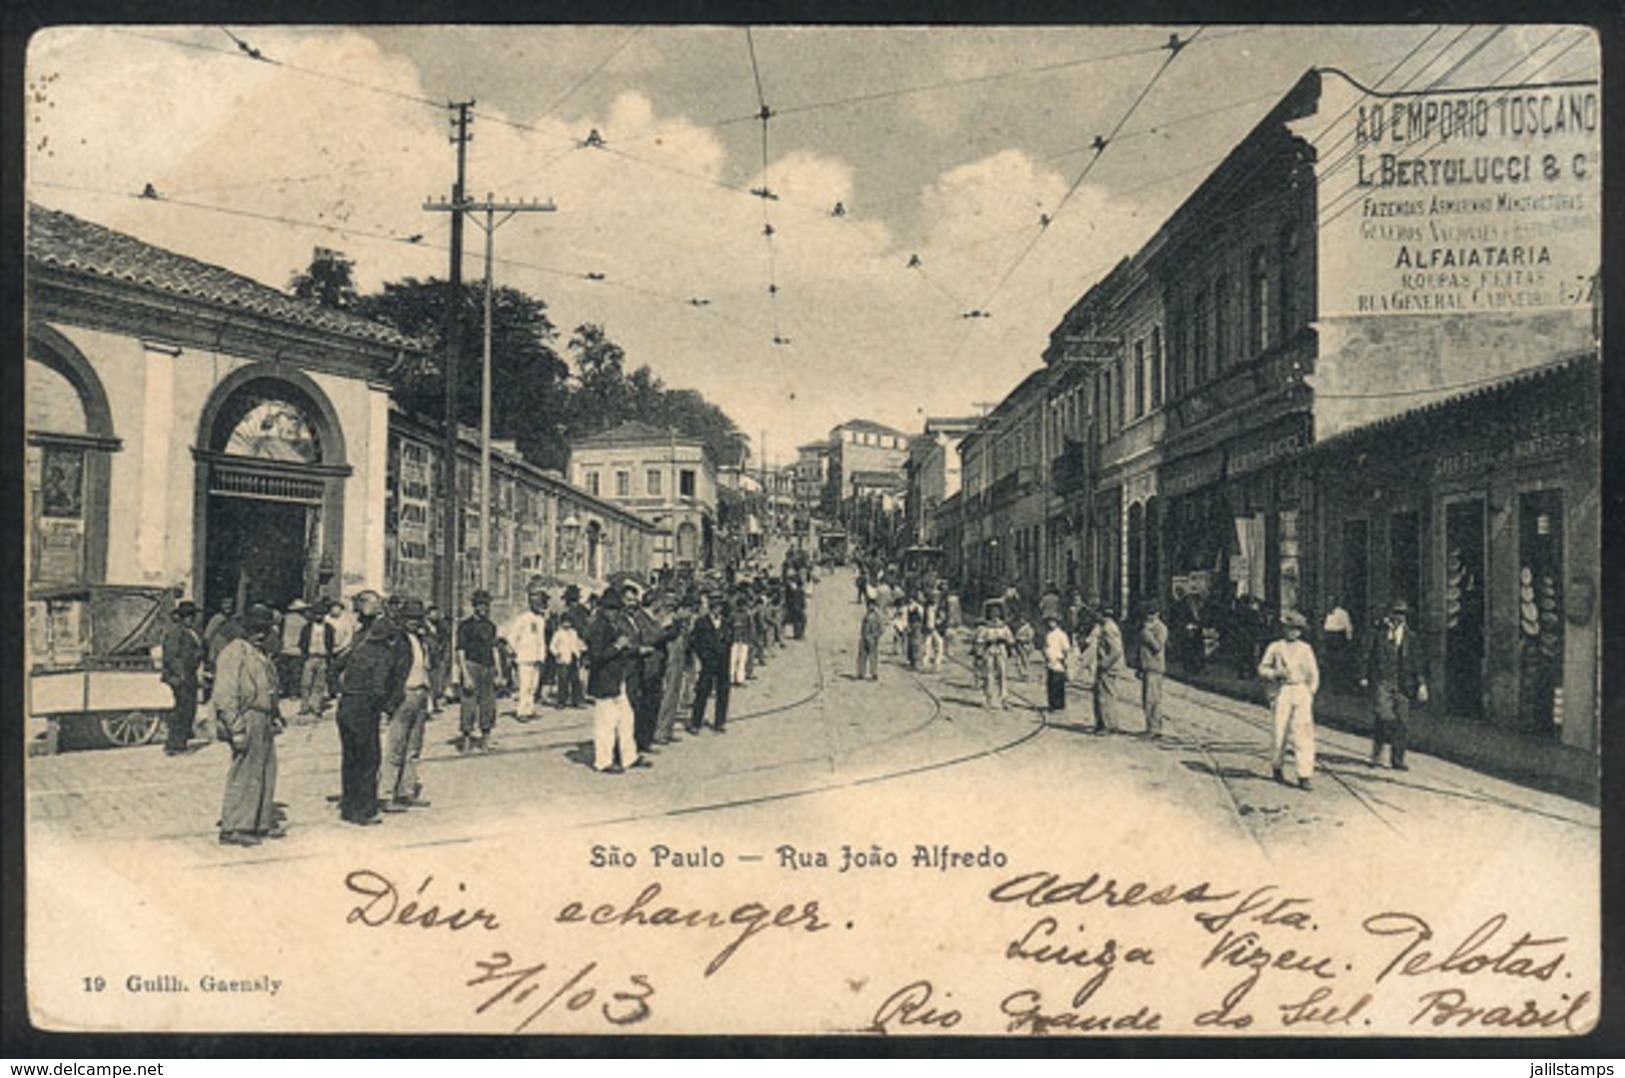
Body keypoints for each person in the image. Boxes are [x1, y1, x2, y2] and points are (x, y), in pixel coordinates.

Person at [335, 591, 409, 825]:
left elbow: (335, 666)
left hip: (347, 703)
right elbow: (381, 681)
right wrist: (386, 704)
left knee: (350, 758)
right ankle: (364, 810)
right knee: (368, 758)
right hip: (364, 705)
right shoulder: (380, 649)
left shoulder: (357, 642)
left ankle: (349, 807)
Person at [213, 605, 283, 846]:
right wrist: (236, 729)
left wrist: (275, 714)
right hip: (247, 716)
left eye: (264, 629)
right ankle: (234, 827)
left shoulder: (258, 652)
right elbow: (225, 694)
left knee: (265, 771)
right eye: (255, 629)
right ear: (245, 629)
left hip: (263, 717)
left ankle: (257, 822)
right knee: (244, 772)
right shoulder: (234, 652)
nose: (260, 634)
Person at [586, 583, 650, 772]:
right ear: (603, 608)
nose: (613, 612)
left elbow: (622, 647)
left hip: (617, 678)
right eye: (610, 608)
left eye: (616, 608)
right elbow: (596, 657)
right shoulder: (598, 627)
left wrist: (633, 649)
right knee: (606, 722)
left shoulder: (613, 625)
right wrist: (617, 647)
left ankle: (629, 757)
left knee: (626, 718)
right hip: (604, 680)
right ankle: (603, 761)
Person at [379, 598, 434, 811]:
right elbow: (389, 671)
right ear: (403, 619)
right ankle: (386, 794)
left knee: (413, 747)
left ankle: (406, 791)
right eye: (410, 618)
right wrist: (389, 700)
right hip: (404, 694)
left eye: (417, 618)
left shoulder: (420, 639)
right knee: (395, 747)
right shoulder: (397, 640)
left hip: (420, 693)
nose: (414, 622)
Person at [1362, 598, 1428, 771]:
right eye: (1396, 613)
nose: (1399, 617)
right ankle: (1377, 755)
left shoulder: (1411, 637)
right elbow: (1366, 654)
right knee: (1384, 717)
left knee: (1402, 722)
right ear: (1389, 614)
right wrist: (1363, 676)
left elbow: (1417, 663)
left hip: (1403, 685)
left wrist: (1421, 685)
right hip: (1383, 682)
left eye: (1403, 614)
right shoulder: (1378, 633)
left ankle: (1397, 760)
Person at [1258, 609, 1320, 791]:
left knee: (1303, 734)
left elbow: (1313, 674)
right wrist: (1275, 674)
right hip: (1282, 690)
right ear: (1284, 629)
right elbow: (1262, 668)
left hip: (1300, 691)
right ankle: (1277, 766)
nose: (1293, 632)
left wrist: (1310, 693)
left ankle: (1304, 774)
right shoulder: (1276, 647)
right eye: (1290, 628)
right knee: (1279, 731)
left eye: (1297, 629)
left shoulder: (1306, 649)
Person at [456, 590, 500, 753]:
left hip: (488, 668)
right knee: (469, 704)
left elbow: (494, 649)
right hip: (471, 665)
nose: (483, 608)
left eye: (486, 605)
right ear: (474, 606)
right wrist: (465, 674)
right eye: (480, 605)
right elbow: (460, 651)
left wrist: (499, 672)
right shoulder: (465, 626)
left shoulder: (491, 626)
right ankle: (466, 739)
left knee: (488, 704)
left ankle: (485, 739)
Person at [160, 600, 205, 756]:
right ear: (180, 617)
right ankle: (174, 745)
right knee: (182, 710)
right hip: (180, 678)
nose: (190, 619)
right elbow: (172, 657)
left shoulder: (191, 632)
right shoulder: (176, 632)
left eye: (192, 616)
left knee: (189, 709)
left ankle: (181, 742)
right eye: (187, 616)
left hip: (189, 675)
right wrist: (181, 675)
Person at [504, 588, 551, 722]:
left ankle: (530, 709)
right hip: (524, 657)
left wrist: (542, 655)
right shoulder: (523, 618)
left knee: (534, 685)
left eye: (541, 604)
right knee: (525, 685)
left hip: (537, 657)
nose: (539, 607)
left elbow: (541, 640)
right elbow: (512, 637)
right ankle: (521, 711)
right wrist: (514, 652)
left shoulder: (541, 620)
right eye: (536, 604)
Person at [654, 595, 695, 745]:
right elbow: (659, 638)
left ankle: (667, 730)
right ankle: (660, 732)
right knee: (667, 697)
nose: (689, 613)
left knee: (674, 698)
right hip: (669, 663)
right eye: (687, 610)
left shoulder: (682, 624)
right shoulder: (668, 621)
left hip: (678, 663)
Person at [688, 594, 732, 732]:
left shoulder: (725, 622)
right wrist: (703, 656)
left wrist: (726, 649)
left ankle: (720, 722)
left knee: (723, 691)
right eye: (715, 606)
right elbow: (694, 641)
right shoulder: (701, 622)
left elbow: (730, 638)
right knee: (702, 691)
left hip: (723, 662)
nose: (717, 609)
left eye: (720, 607)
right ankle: (696, 723)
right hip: (708, 662)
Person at [299, 599, 338, 718]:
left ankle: (316, 707)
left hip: (323, 657)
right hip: (310, 657)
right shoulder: (307, 627)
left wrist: (329, 655)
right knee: (305, 683)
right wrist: (304, 653)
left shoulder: (329, 628)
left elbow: (331, 643)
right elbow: (302, 642)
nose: (318, 616)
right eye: (316, 614)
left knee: (319, 684)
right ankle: (305, 706)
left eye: (321, 614)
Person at [975, 602, 1016, 710]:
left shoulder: (1004, 626)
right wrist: (986, 642)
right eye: (993, 613)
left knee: (1002, 675)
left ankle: (1004, 699)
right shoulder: (985, 627)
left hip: (1001, 651)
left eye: (997, 613)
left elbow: (1011, 639)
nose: (995, 616)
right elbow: (979, 640)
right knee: (988, 675)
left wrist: (1006, 641)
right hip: (989, 651)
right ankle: (988, 699)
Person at [1092, 608, 1126, 735]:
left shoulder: (1108, 628)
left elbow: (1116, 650)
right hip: (1111, 666)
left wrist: (1104, 663)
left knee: (1104, 696)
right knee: (1109, 694)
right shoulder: (1109, 626)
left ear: (1102, 615)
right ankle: (1112, 724)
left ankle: (1107, 726)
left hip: (1108, 667)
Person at [1139, 603, 1169, 739]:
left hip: (1155, 667)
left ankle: (1155, 729)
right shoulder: (1149, 627)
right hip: (1147, 667)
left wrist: (1146, 633)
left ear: (1157, 614)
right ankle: (1150, 727)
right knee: (1146, 699)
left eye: (1151, 614)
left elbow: (1157, 646)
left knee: (1153, 699)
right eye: (1147, 614)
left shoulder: (1160, 628)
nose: (1148, 616)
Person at [1321, 597, 1355, 689]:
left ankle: (1339, 684)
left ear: (1335, 603)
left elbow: (1348, 627)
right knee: (1329, 661)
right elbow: (1325, 626)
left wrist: (1348, 641)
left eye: (1331, 602)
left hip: (1338, 639)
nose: (1329, 604)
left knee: (1339, 662)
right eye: (1327, 602)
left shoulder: (1342, 613)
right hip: (1329, 638)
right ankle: (1330, 684)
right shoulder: (1327, 613)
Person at [277, 599, 309, 697]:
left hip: (284, 648)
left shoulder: (284, 619)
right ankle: (293, 693)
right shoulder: (304, 621)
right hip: (297, 650)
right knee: (296, 672)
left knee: (283, 671)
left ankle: (283, 690)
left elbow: (279, 633)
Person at [1041, 614, 1071, 716]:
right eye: (1049, 622)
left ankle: (1059, 705)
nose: (1050, 624)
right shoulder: (1048, 634)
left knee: (1058, 683)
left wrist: (1063, 659)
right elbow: (1046, 646)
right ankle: (1052, 704)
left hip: (1058, 661)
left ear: (1057, 623)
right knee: (1050, 683)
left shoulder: (1062, 635)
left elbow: (1066, 649)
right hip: (1050, 661)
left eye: (1052, 622)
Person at [857, 597, 884, 680]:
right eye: (869, 605)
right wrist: (862, 636)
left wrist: (875, 636)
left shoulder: (877, 617)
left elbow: (881, 629)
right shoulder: (866, 616)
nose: (870, 607)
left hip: (872, 639)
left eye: (872, 605)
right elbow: (862, 627)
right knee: (862, 656)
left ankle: (874, 673)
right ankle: (861, 673)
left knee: (873, 656)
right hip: (864, 638)